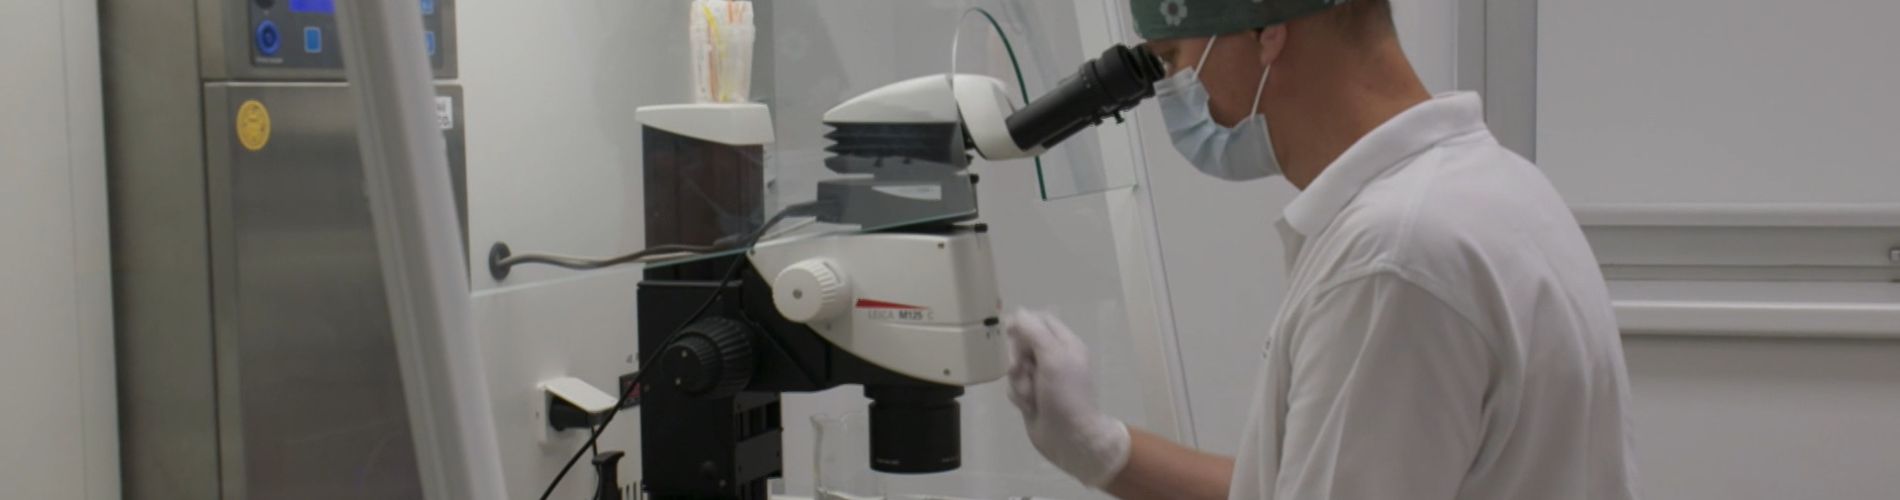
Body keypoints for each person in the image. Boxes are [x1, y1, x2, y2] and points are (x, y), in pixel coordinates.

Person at [1003, 0, 1641, 499]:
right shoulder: (1493, 188)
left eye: (1171, 60)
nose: (1173, 93)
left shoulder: (1393, 258)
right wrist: (1100, 448)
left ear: (1266, 31)